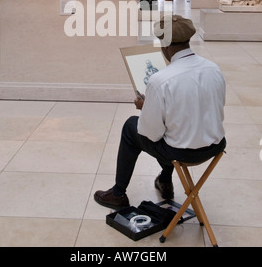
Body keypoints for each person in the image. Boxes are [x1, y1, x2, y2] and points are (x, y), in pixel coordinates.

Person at [94, 15, 226, 210]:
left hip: (182, 152)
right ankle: (165, 180)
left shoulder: (160, 80)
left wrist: (145, 108)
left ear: (164, 47)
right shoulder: (213, 68)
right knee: (173, 126)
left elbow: (150, 133)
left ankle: (118, 193)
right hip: (215, 146)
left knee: (132, 127)